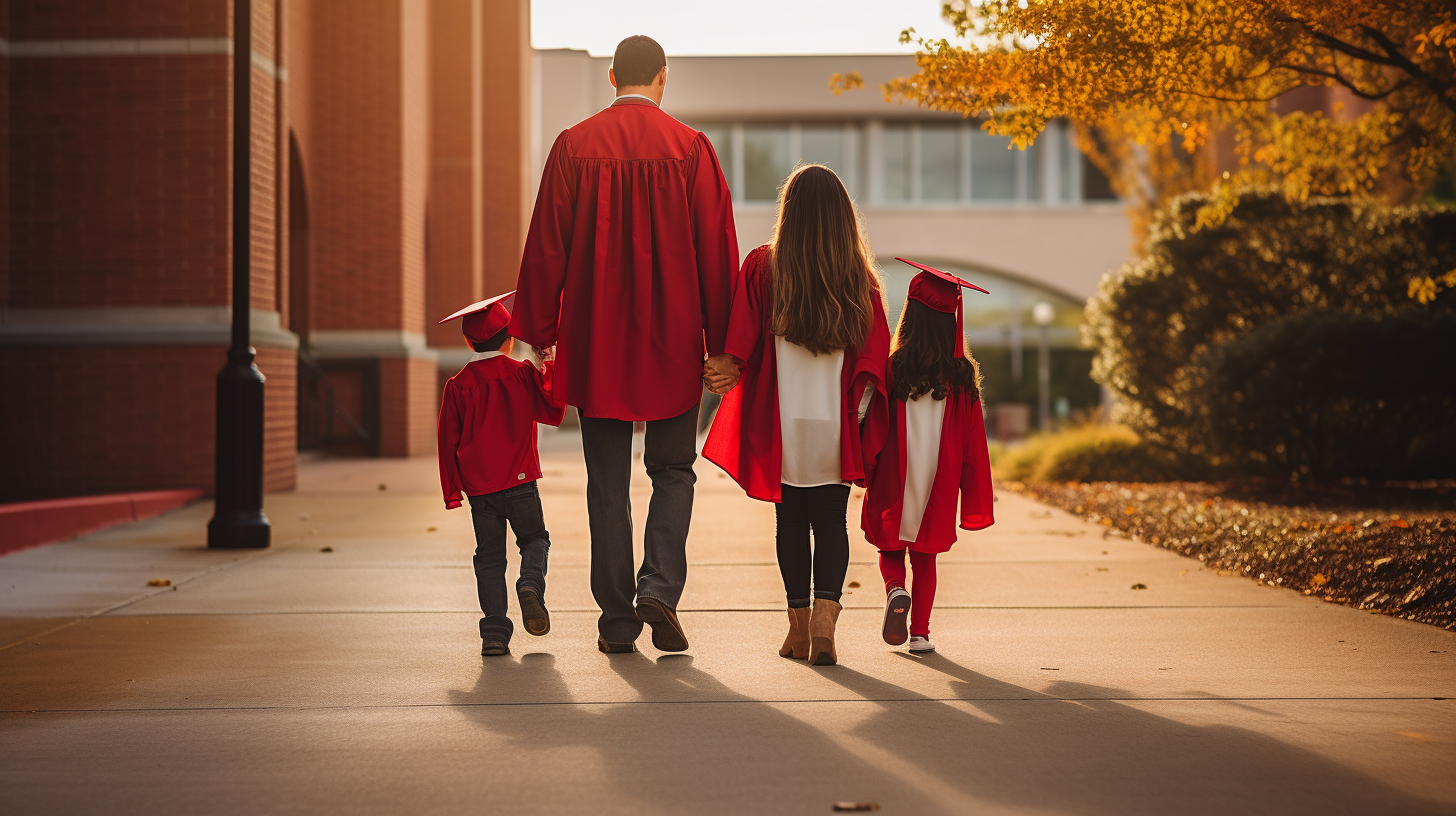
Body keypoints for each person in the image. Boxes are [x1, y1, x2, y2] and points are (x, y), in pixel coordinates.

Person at [510, 35, 739, 655]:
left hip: (597, 344)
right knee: (673, 470)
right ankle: (659, 587)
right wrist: (723, 345)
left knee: (606, 482)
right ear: (664, 78)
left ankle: (616, 620)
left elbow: (545, 246)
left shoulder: (572, 146)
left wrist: (534, 334)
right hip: (672, 341)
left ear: (612, 76)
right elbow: (717, 253)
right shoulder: (691, 149)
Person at [702, 163, 890, 667]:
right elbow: (874, 358)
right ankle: (828, 623)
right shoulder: (861, 279)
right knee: (830, 521)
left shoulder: (764, 267)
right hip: (836, 422)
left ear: (790, 213)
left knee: (790, 521)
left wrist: (724, 365)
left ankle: (799, 629)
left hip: (783, 421)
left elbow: (739, 341)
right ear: (843, 219)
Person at [860, 259, 996, 654]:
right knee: (926, 557)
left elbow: (875, 424)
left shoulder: (893, 368)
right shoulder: (962, 376)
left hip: (894, 474)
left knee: (889, 546)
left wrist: (865, 467)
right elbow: (973, 441)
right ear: (952, 322)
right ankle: (920, 633)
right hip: (938, 478)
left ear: (909, 317)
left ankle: (894, 588)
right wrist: (970, 488)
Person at [437, 292, 566, 657]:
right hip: (521, 481)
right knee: (535, 540)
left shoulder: (457, 386)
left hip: (481, 491)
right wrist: (548, 363)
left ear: (468, 341)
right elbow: (552, 411)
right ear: (509, 339)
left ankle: (494, 633)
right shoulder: (521, 374)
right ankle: (530, 585)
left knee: (489, 557)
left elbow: (447, 442)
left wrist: (452, 491)